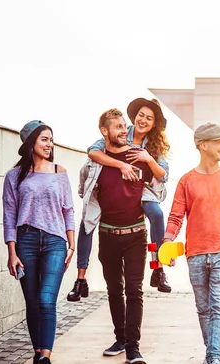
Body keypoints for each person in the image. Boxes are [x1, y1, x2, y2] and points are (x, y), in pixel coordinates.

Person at [67, 97, 171, 302]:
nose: (143, 120)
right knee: (87, 222)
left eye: (149, 118)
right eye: (141, 115)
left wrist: (148, 158)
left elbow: (163, 175)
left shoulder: (154, 146)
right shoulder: (121, 131)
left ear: (153, 124)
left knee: (157, 214)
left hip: (140, 191)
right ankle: (81, 279)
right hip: (112, 187)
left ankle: (158, 269)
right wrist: (121, 165)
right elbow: (93, 151)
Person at [163, 123, 220, 364]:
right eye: (219, 141)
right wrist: (167, 244)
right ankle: (212, 353)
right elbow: (175, 217)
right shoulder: (186, 181)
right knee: (203, 309)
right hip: (196, 254)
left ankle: (213, 357)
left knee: (218, 307)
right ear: (203, 145)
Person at [3, 120, 76, 364]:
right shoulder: (14, 176)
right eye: (44, 139)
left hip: (55, 242)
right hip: (26, 242)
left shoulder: (59, 171)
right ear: (30, 142)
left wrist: (71, 244)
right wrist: (11, 252)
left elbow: (68, 210)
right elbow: (9, 214)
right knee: (32, 302)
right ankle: (38, 355)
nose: (49, 144)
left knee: (46, 300)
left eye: (51, 139)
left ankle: (45, 356)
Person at [88, 108, 154, 363]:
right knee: (114, 290)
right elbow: (86, 191)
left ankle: (133, 348)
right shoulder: (95, 161)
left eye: (124, 126)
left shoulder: (138, 156)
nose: (124, 131)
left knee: (134, 291)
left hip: (136, 234)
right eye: (117, 127)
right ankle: (120, 338)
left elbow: (158, 183)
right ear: (104, 131)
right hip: (108, 235)